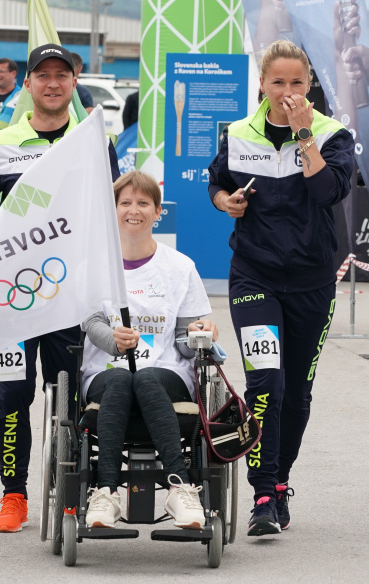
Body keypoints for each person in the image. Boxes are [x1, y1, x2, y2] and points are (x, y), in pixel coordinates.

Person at [0, 43, 120, 532]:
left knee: (71, 399)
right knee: (11, 397)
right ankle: (14, 494)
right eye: (42, 75)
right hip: (13, 301)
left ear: (74, 83)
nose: (52, 83)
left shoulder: (95, 143)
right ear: (27, 84)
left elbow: (113, 214)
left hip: (71, 301)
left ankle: (72, 490)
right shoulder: (1, 143)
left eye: (61, 75)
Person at [207, 39, 354, 537]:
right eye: (278, 82)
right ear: (262, 85)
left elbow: (329, 192)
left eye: (296, 82)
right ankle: (263, 494)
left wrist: (303, 135)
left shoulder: (332, 134)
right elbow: (216, 183)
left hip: (313, 280)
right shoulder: (238, 133)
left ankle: (281, 478)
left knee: (296, 392)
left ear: (309, 85)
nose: (287, 91)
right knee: (265, 381)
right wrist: (225, 201)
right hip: (255, 276)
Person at [80, 172, 215, 530]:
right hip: (106, 373)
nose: (133, 210)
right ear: (113, 210)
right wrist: (114, 340)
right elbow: (91, 321)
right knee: (122, 378)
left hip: (166, 374)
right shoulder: (95, 266)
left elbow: (185, 341)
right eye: (125, 202)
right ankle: (106, 492)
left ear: (157, 212)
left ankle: (179, 489)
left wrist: (199, 332)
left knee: (144, 377)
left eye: (143, 203)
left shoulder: (180, 267)